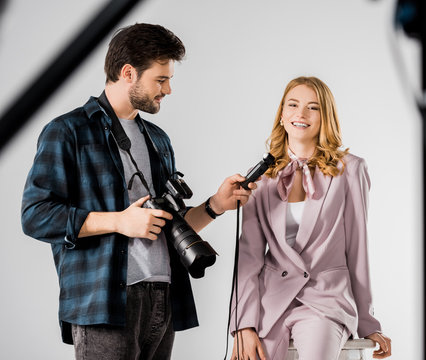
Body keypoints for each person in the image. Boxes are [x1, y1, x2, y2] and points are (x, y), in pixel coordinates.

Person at [21, 23, 254, 359]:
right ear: (128, 73)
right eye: (161, 79)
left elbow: (169, 225)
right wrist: (119, 222)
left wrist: (217, 204)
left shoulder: (158, 140)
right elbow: (35, 215)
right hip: (105, 305)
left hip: (163, 297)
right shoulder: (67, 132)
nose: (169, 89)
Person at [229, 76, 392, 360]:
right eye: (293, 105)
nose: (301, 114)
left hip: (324, 302)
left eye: (313, 107)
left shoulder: (350, 170)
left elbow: (358, 250)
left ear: (325, 117)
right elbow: (250, 257)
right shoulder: (261, 178)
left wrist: (367, 322)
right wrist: (243, 323)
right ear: (282, 115)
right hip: (271, 303)